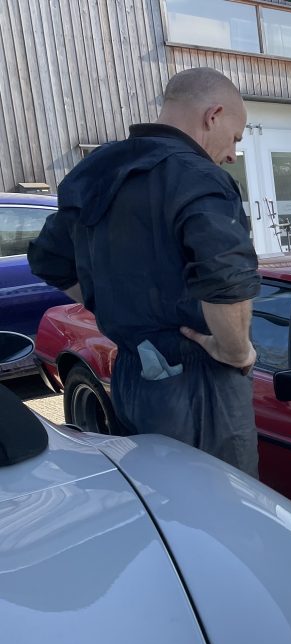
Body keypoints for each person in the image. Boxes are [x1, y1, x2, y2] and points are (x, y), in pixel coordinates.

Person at [29, 67, 261, 476]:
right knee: (225, 510)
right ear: (214, 115)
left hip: (133, 377)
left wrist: (114, 307)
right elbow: (226, 279)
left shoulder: (97, 170)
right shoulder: (200, 177)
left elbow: (49, 259)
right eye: (236, 138)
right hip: (200, 382)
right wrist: (236, 351)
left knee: (160, 500)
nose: (232, 154)